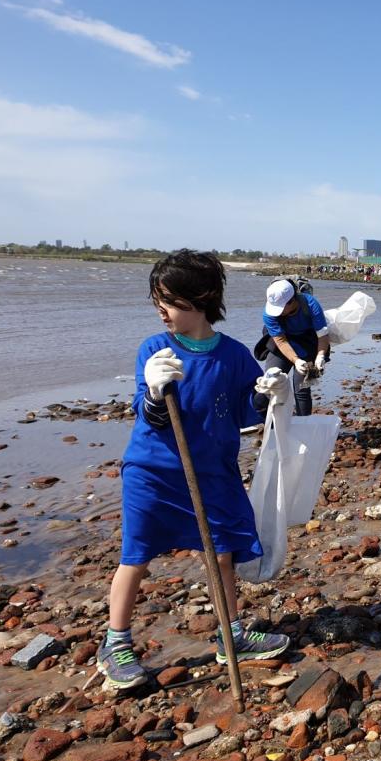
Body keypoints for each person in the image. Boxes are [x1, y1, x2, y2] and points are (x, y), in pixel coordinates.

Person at [99, 251, 290, 692]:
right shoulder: (155, 350)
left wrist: (268, 393)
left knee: (221, 554)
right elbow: (150, 416)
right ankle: (115, 642)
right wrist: (152, 389)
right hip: (154, 471)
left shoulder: (234, 355)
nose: (160, 310)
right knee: (136, 555)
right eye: (157, 302)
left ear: (199, 298)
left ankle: (232, 635)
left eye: (168, 300)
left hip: (213, 472)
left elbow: (245, 411)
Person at [258, 279, 331, 416]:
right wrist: (296, 360)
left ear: (291, 301)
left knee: (301, 388)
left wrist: (320, 356)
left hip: (306, 342)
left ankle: (303, 425)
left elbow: (322, 335)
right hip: (281, 343)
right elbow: (280, 341)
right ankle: (268, 422)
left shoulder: (310, 304)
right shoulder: (269, 313)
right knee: (270, 383)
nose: (276, 313)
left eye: (280, 308)